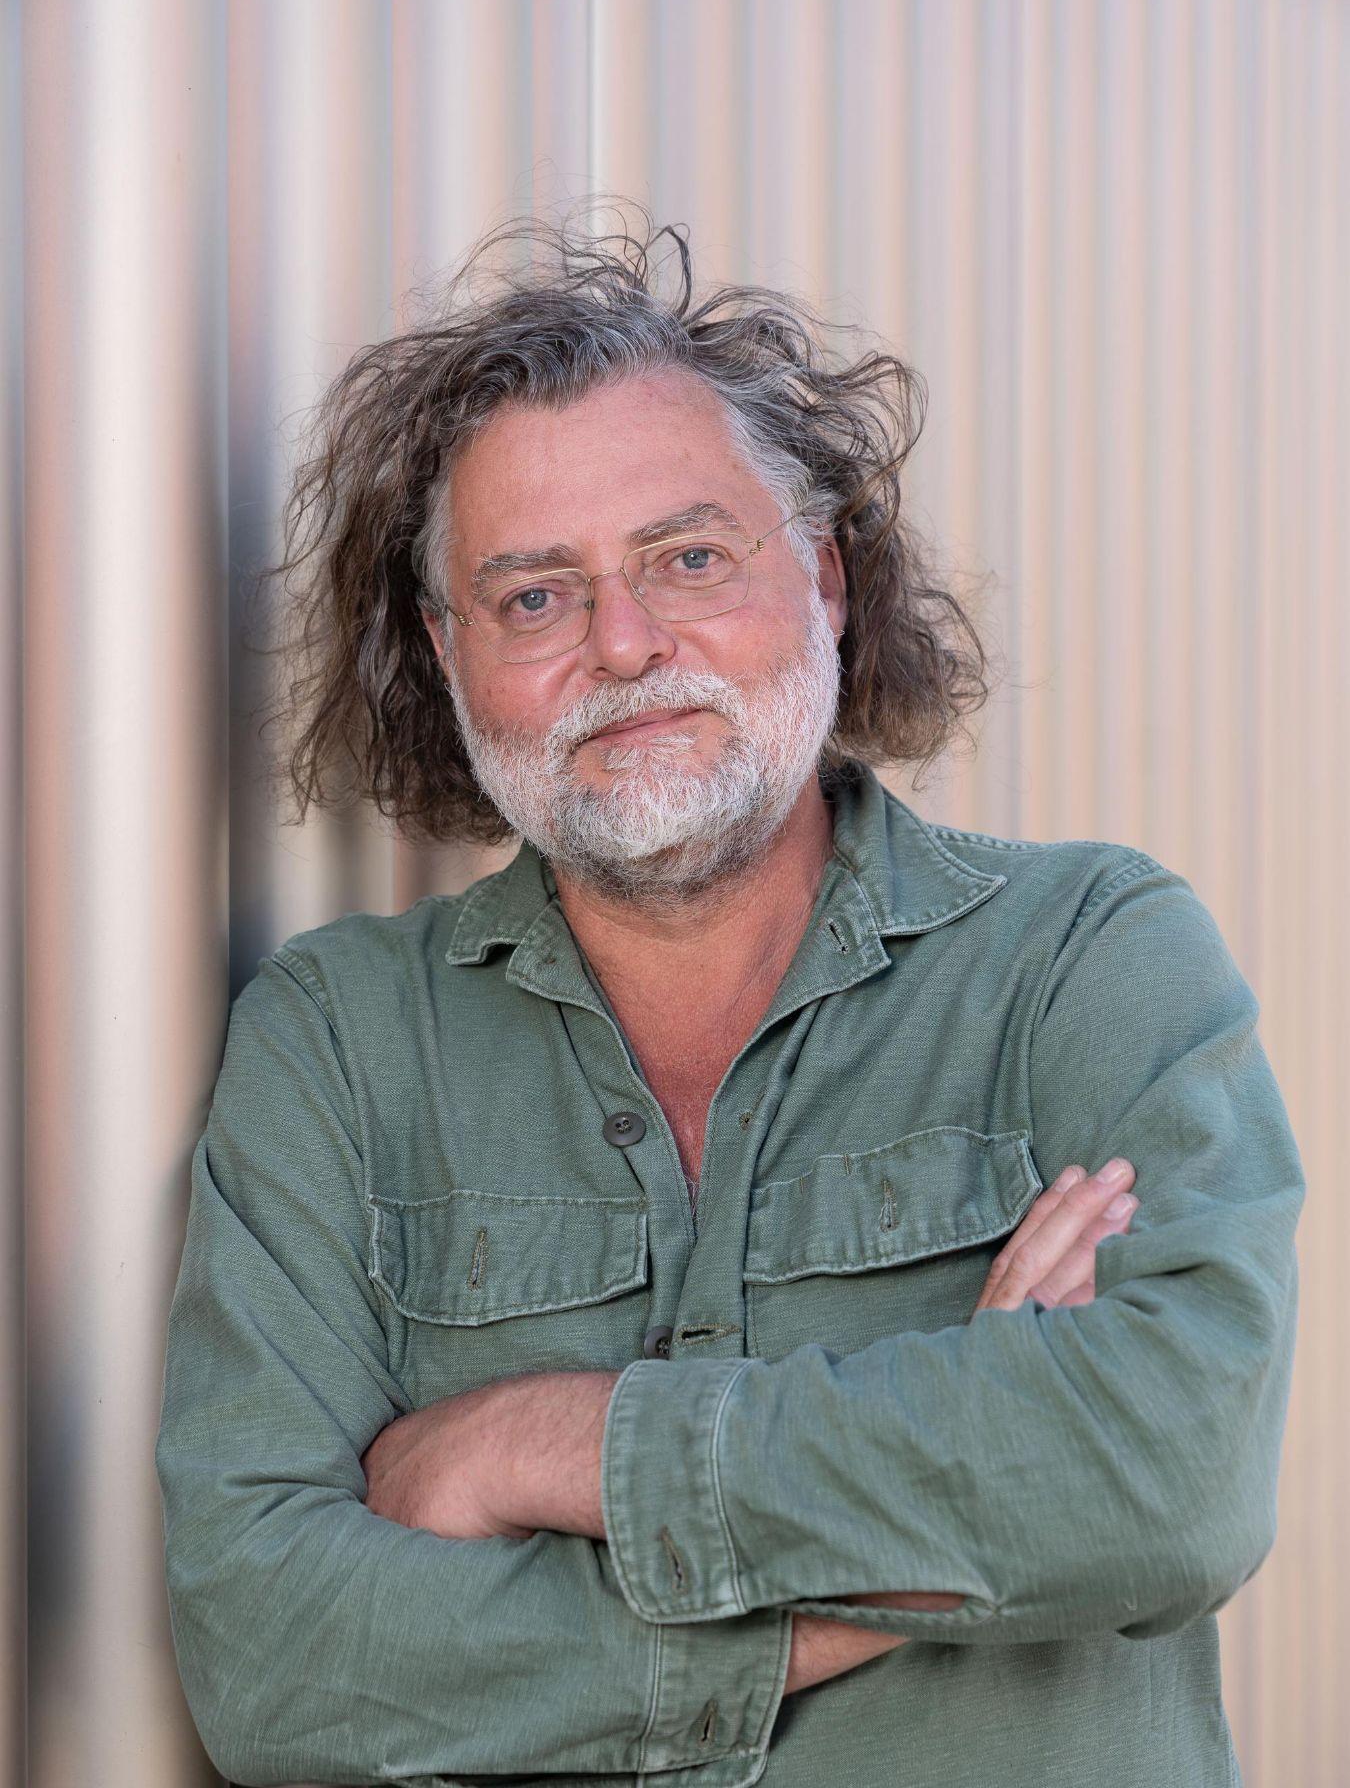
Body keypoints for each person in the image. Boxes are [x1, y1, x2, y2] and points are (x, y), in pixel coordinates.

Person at [155, 201, 1304, 1788]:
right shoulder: (341, 1043)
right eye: (534, 595)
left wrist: (527, 1447)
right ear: (445, 647)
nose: (624, 644)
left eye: (688, 558)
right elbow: (279, 1671)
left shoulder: (1081, 956)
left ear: (824, 577)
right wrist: (941, 1525)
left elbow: (1163, 1484)